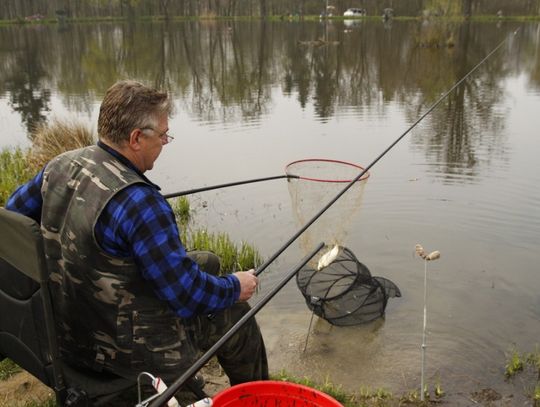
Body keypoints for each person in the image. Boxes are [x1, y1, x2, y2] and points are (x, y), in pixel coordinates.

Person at [5, 80, 268, 388]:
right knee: (234, 311)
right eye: (162, 135)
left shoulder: (60, 165)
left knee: (205, 261)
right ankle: (259, 397)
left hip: (66, 328)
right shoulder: (142, 203)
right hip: (123, 355)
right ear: (135, 139)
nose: (165, 142)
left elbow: (14, 218)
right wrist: (235, 286)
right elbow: (185, 297)